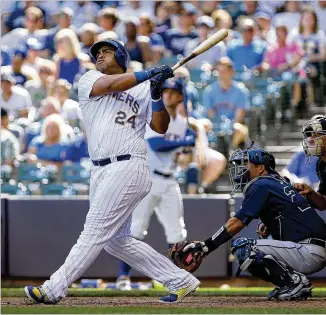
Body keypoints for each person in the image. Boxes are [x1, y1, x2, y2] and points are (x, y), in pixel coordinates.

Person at [24, 38, 200, 304]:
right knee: (115, 241)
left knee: (94, 230)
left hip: (129, 165)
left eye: (107, 51)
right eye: (98, 53)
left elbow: (161, 127)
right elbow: (112, 84)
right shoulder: (90, 79)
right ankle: (180, 280)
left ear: (120, 55)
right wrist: (148, 74)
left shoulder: (142, 89)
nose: (100, 56)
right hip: (100, 170)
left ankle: (53, 288)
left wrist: (154, 94)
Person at [171, 146, 326, 300]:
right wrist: (270, 223)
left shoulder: (261, 183)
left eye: (246, 164)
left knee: (244, 248)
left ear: (260, 168)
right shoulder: (277, 183)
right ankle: (293, 282)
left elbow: (237, 222)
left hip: (308, 251)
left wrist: (206, 246)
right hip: (312, 248)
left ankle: (294, 283)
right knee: (264, 237)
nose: (240, 170)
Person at [116, 78, 196, 290]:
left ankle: (172, 278)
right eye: (165, 91)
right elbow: (157, 145)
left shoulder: (182, 122)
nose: (168, 95)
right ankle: (123, 277)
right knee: (135, 230)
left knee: (177, 233)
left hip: (170, 180)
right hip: (147, 178)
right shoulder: (154, 116)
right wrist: (185, 141)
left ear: (180, 96)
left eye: (172, 92)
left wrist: (188, 147)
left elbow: (184, 157)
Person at [203, 57, 250, 149]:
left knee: (239, 129)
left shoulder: (241, 91)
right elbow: (209, 113)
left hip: (233, 125)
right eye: (219, 71)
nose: (221, 74)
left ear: (231, 72)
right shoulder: (209, 90)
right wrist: (219, 125)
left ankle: (230, 153)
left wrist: (228, 126)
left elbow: (239, 117)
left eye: (223, 71)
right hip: (215, 125)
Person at [296, 115, 326, 210]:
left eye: (317, 135)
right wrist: (311, 193)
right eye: (309, 135)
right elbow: (323, 204)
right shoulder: (321, 164)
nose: (311, 139)